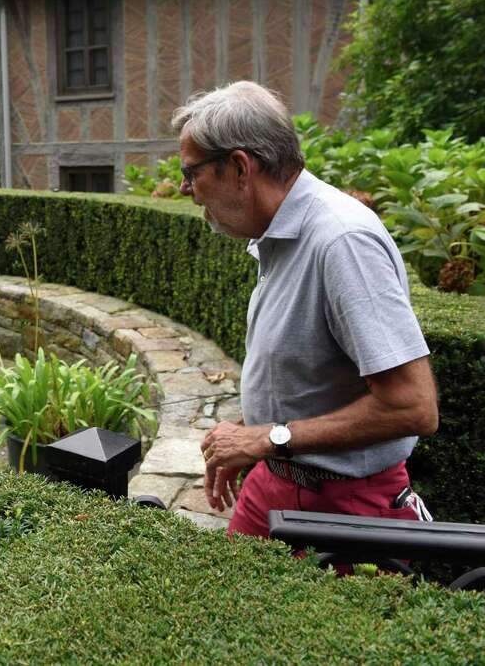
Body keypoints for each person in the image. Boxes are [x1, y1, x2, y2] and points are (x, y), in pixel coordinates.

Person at [172, 82, 438, 538]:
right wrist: (249, 431)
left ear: (239, 167)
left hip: (345, 508)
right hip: (275, 482)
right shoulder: (279, 234)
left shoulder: (341, 242)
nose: (185, 189)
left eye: (192, 172)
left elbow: (413, 407)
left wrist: (269, 437)